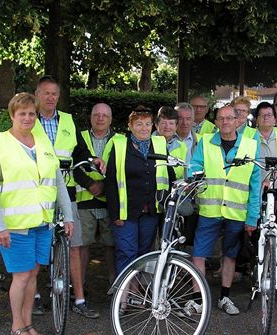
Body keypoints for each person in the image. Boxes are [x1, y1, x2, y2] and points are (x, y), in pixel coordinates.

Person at [0, 92, 74, 335]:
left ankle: (28, 323)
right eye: (21, 113)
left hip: (42, 222)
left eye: (31, 113)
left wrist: (67, 214)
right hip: (15, 225)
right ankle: (17, 326)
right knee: (21, 276)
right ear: (12, 115)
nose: (27, 117)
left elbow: (57, 182)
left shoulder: (42, 143)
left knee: (33, 273)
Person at [32, 75, 100, 319]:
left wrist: (92, 161)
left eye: (54, 93)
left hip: (66, 193)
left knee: (73, 245)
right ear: (37, 94)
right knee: (37, 246)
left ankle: (79, 299)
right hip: (37, 193)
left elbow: (80, 151)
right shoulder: (29, 120)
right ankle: (34, 296)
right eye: (46, 93)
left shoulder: (69, 121)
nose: (51, 97)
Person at [186, 105, 261, 316]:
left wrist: (253, 216)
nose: (226, 122)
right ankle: (197, 299)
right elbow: (194, 168)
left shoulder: (251, 145)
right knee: (199, 256)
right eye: (221, 119)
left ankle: (225, 297)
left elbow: (255, 185)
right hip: (209, 209)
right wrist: (195, 181)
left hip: (236, 212)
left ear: (238, 120)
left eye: (230, 118)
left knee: (230, 256)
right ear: (216, 122)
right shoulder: (206, 142)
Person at [105, 106, 174, 275]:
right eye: (139, 124)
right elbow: (111, 182)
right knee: (126, 253)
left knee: (144, 255)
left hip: (151, 211)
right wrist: (115, 215)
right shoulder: (120, 145)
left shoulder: (159, 144)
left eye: (148, 124)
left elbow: (169, 174)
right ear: (130, 125)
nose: (144, 128)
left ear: (153, 126)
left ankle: (137, 295)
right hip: (125, 213)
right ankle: (123, 298)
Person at [75, 103, 116, 286]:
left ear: (111, 119)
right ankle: (79, 284)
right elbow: (72, 164)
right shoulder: (79, 137)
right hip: (84, 198)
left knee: (112, 245)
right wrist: (90, 184)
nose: (100, 118)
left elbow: (120, 169)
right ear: (91, 117)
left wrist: (104, 186)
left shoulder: (120, 140)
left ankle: (114, 283)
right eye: (96, 115)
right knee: (82, 245)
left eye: (104, 115)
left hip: (110, 200)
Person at [153, 106, 187, 179]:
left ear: (176, 126)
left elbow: (186, 173)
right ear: (156, 125)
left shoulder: (182, 147)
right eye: (163, 123)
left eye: (171, 123)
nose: (167, 127)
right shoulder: (148, 144)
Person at [255, 101, 277, 168]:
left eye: (269, 115)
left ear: (275, 119)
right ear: (256, 120)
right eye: (262, 115)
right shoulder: (250, 137)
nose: (266, 118)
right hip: (257, 178)